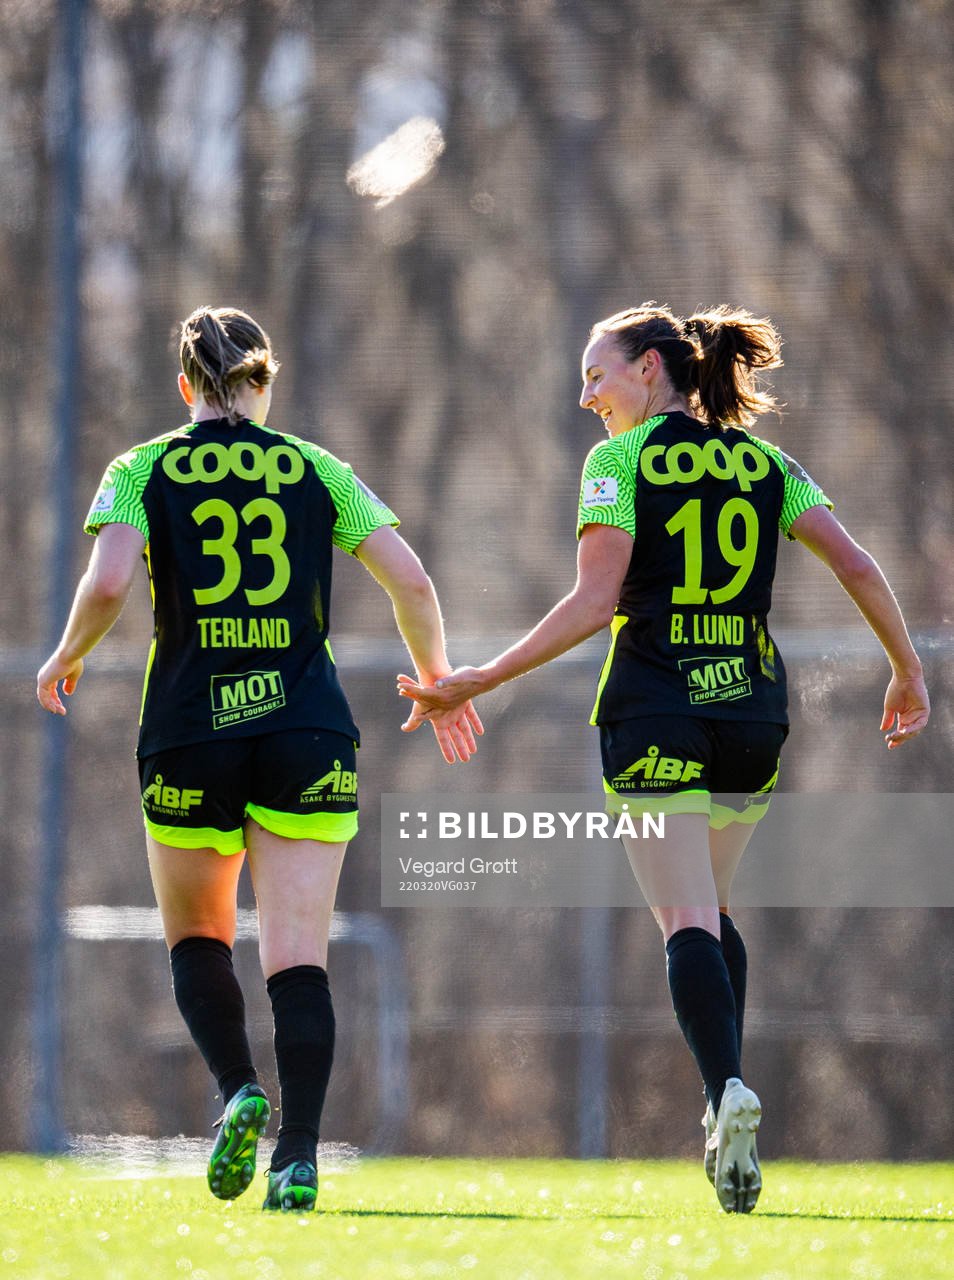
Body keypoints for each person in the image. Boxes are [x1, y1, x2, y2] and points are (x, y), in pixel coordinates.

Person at [398, 302, 929, 1214]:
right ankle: (727, 1097)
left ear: (650, 368)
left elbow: (596, 601)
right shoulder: (769, 464)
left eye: (596, 373)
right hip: (752, 715)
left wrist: (481, 675)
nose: (586, 395)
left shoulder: (619, 461)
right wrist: (908, 670)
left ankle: (724, 1095)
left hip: (655, 713)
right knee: (715, 911)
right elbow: (860, 568)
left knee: (685, 916)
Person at [37, 305, 482, 1212]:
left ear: (183, 386)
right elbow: (414, 578)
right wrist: (436, 677)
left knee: (199, 939)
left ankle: (238, 1088)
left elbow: (112, 579)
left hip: (191, 731)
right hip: (304, 733)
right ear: (263, 384)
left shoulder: (141, 468)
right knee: (297, 957)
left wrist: (69, 652)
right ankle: (302, 1157)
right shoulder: (318, 469)